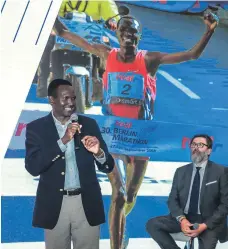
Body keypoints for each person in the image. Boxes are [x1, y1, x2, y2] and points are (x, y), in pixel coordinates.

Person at [53, 11, 219, 249]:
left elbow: (191, 55)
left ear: (139, 36)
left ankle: (121, 224)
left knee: (129, 197)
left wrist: (209, 30)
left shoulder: (150, 59)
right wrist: (47, 14)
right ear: (117, 34)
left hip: (141, 139)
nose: (128, 34)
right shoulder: (105, 53)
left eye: (133, 31)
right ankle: (116, 245)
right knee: (118, 194)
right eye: (124, 30)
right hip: (114, 137)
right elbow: (64, 33)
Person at [25, 78, 114, 249]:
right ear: (52, 99)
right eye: (65, 98)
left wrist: (99, 152)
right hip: (54, 206)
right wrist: (64, 140)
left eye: (73, 98)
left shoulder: (88, 124)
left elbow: (108, 165)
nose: (71, 103)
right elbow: (33, 167)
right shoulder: (36, 128)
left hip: (86, 203)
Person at [146, 134, 228, 249]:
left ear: (209, 151)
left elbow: (225, 205)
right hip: (184, 218)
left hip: (208, 222)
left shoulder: (221, 172)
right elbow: (172, 200)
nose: (196, 148)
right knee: (152, 224)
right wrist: (182, 220)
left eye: (200, 145)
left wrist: (204, 225)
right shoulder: (181, 171)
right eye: (193, 144)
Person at [37, 0, 119, 97]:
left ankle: (105, 87)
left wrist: (113, 20)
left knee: (106, 48)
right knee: (47, 44)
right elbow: (51, 8)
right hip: (64, 30)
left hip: (90, 32)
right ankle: (42, 83)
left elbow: (110, 8)